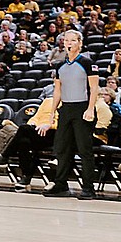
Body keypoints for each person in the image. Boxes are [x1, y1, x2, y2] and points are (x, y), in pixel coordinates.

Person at [43, 29, 100, 200]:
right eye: (66, 40)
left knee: (84, 149)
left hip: (83, 108)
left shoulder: (87, 62)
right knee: (61, 148)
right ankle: (61, 184)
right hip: (66, 109)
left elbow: (94, 88)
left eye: (73, 40)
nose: (69, 43)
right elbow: (57, 91)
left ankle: (89, 188)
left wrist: (90, 109)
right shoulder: (60, 66)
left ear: (79, 43)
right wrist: (52, 112)